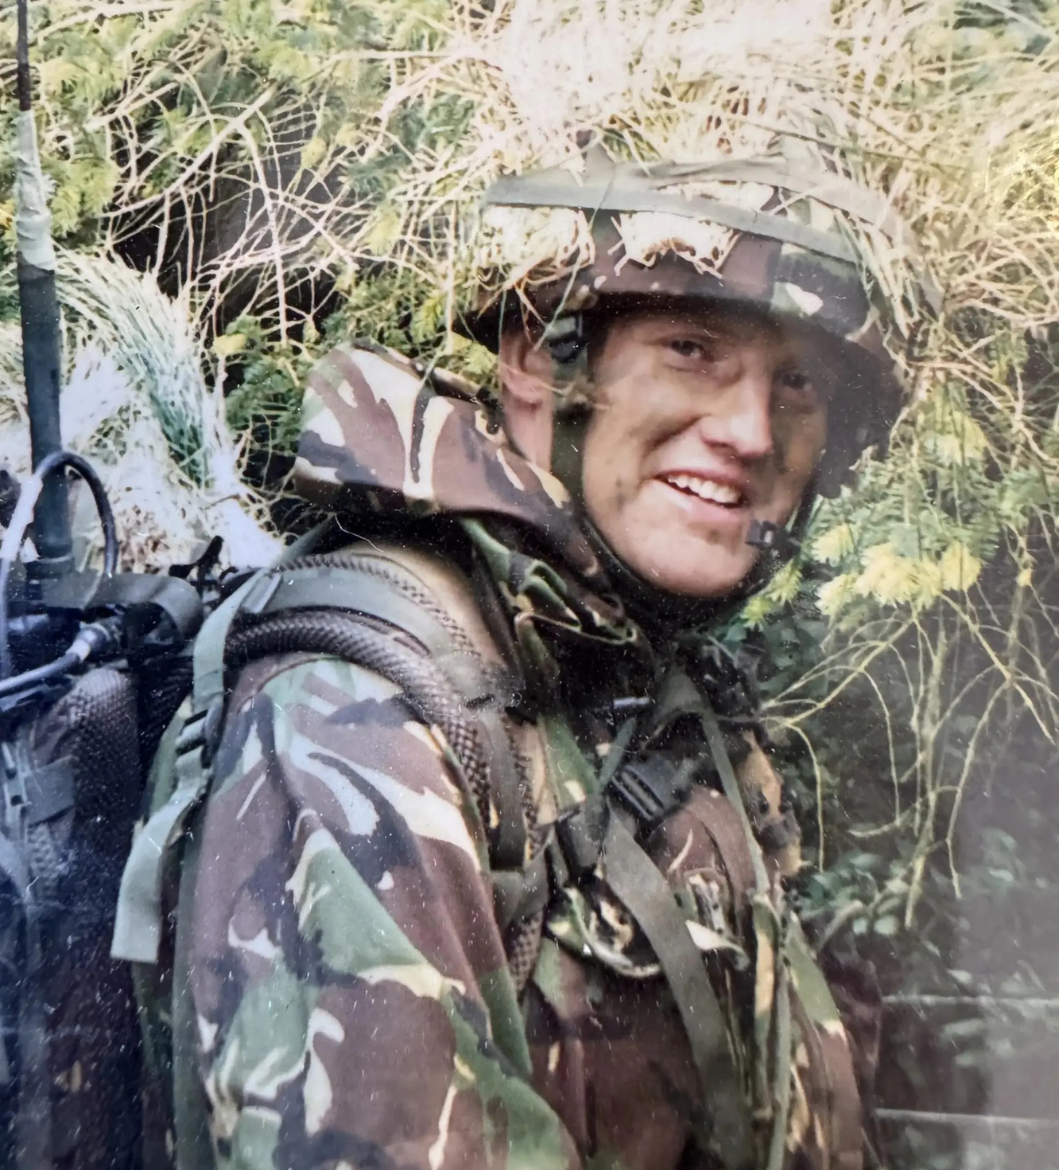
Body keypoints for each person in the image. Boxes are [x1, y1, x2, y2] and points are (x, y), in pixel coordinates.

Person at [146, 146, 930, 1170]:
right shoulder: (364, 708)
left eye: (797, 384)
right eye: (692, 350)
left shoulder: (646, 682)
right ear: (535, 355)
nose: (747, 431)